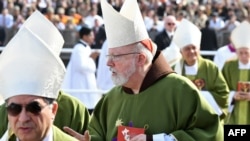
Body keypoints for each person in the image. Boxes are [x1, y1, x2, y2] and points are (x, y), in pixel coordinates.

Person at [64, 0, 224, 140]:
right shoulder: (111, 99)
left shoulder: (180, 91)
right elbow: (98, 133)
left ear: (140, 58)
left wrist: (158, 140)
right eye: (108, 56)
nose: (108, 63)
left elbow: (210, 133)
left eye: (116, 56)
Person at [0, 10, 78, 141]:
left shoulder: (74, 108)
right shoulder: (3, 111)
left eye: (34, 108)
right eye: (14, 109)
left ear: (53, 110)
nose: (23, 118)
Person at [172, 19, 230, 119]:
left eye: (194, 48)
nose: (191, 51)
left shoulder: (211, 67)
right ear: (181, 52)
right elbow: (169, 97)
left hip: (207, 118)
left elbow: (223, 95)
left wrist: (202, 96)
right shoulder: (174, 70)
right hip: (184, 120)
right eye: (187, 48)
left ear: (199, 49)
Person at [62, 24, 102, 113]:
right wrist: (91, 59)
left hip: (86, 81)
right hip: (80, 82)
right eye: (91, 35)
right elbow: (81, 66)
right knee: (83, 104)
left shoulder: (86, 47)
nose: (93, 37)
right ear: (85, 36)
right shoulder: (79, 48)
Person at [222, 21, 250, 124]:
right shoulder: (229, 65)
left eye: (246, 53)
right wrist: (233, 95)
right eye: (240, 53)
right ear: (236, 52)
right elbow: (221, 89)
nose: (243, 56)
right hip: (233, 115)